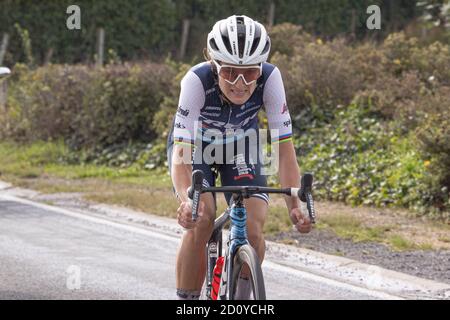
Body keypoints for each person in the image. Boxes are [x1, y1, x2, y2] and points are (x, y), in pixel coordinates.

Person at [167, 15, 312, 300]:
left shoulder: (271, 78)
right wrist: (187, 201)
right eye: (230, 72)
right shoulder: (196, 81)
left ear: (261, 68)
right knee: (202, 217)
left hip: (241, 145)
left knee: (254, 231)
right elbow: (181, 155)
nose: (241, 83)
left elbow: (284, 149)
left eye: (250, 73)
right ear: (214, 63)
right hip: (196, 149)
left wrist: (295, 204)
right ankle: (187, 302)